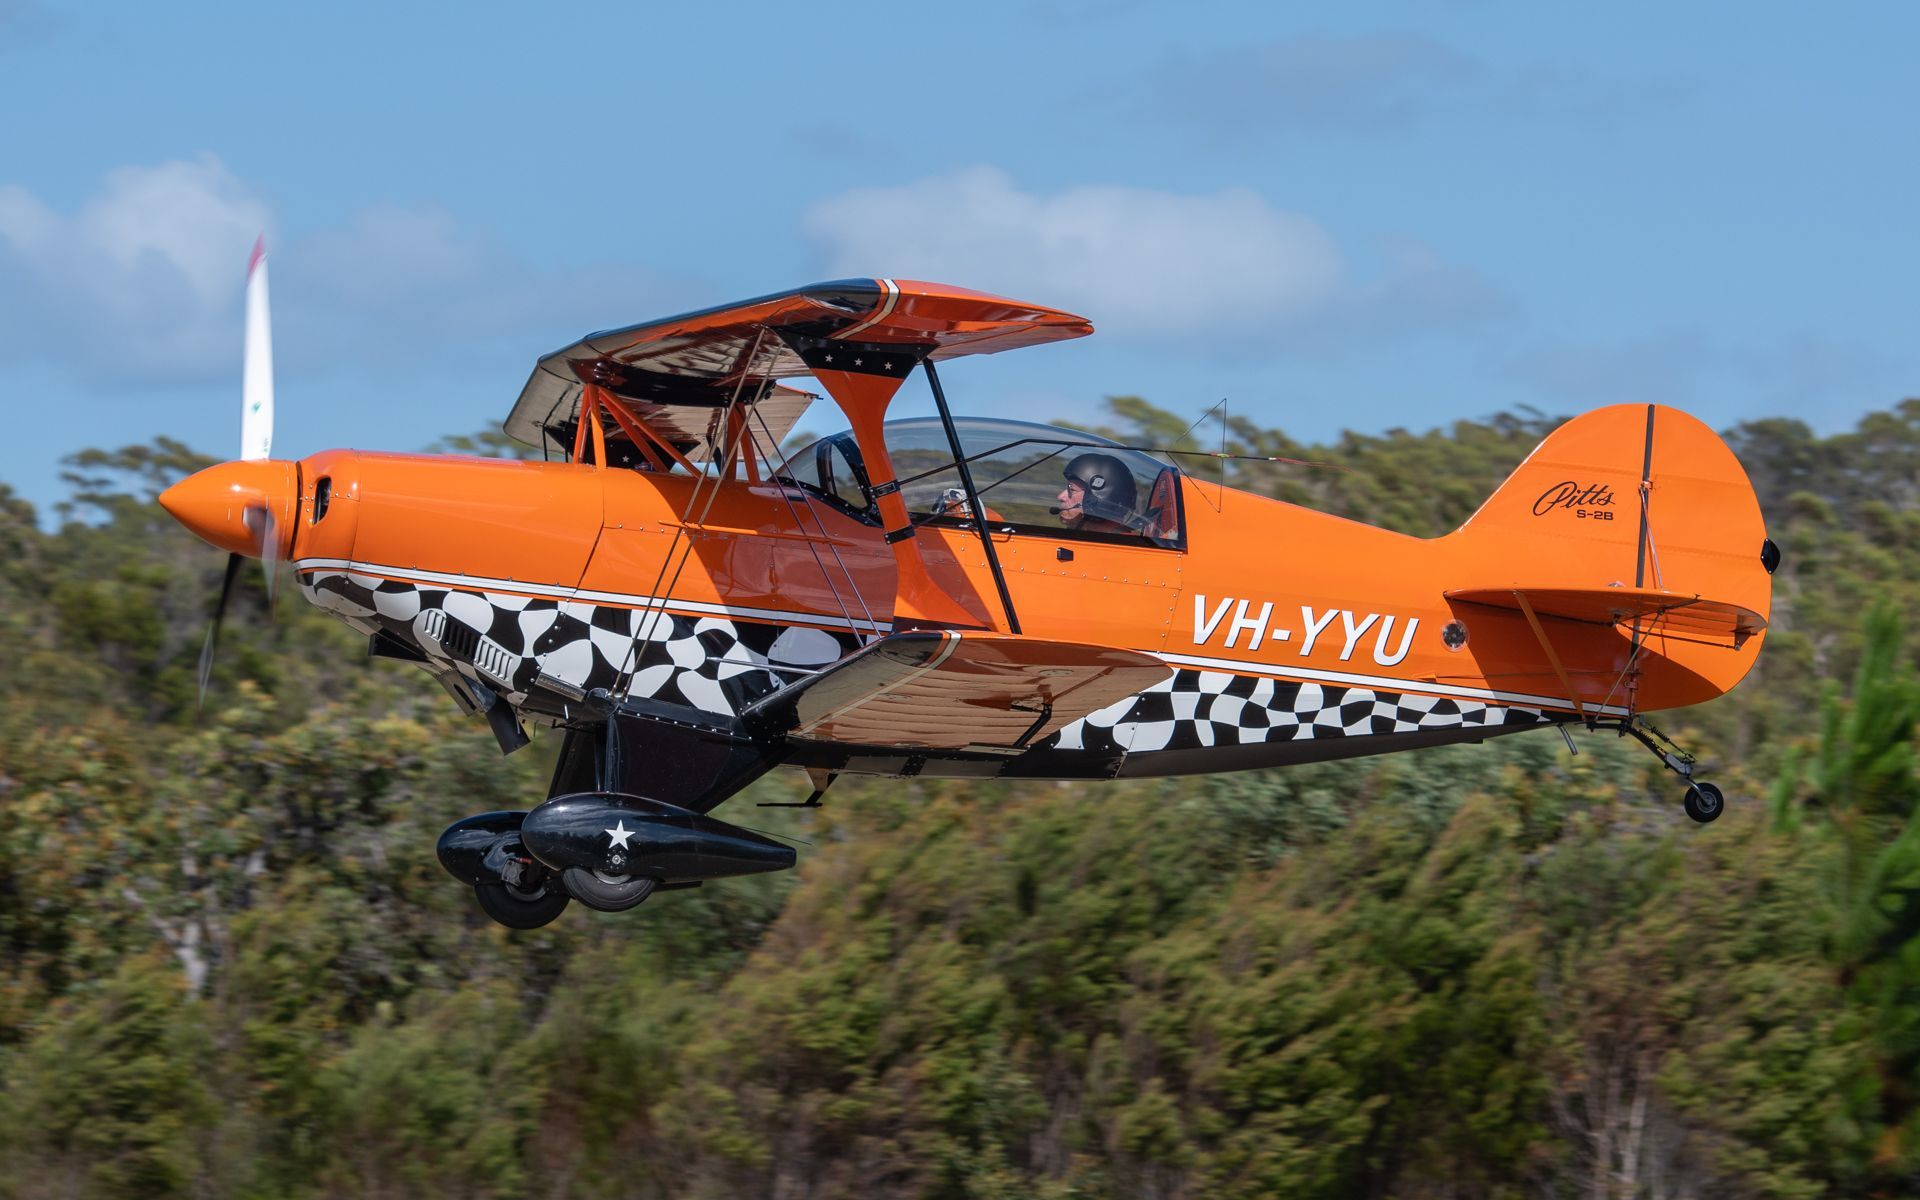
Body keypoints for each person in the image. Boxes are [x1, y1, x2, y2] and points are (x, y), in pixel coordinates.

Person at [1056, 453, 1138, 535]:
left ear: (1101, 500)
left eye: (1072, 490)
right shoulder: (1084, 540)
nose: (1060, 497)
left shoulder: (1121, 546)